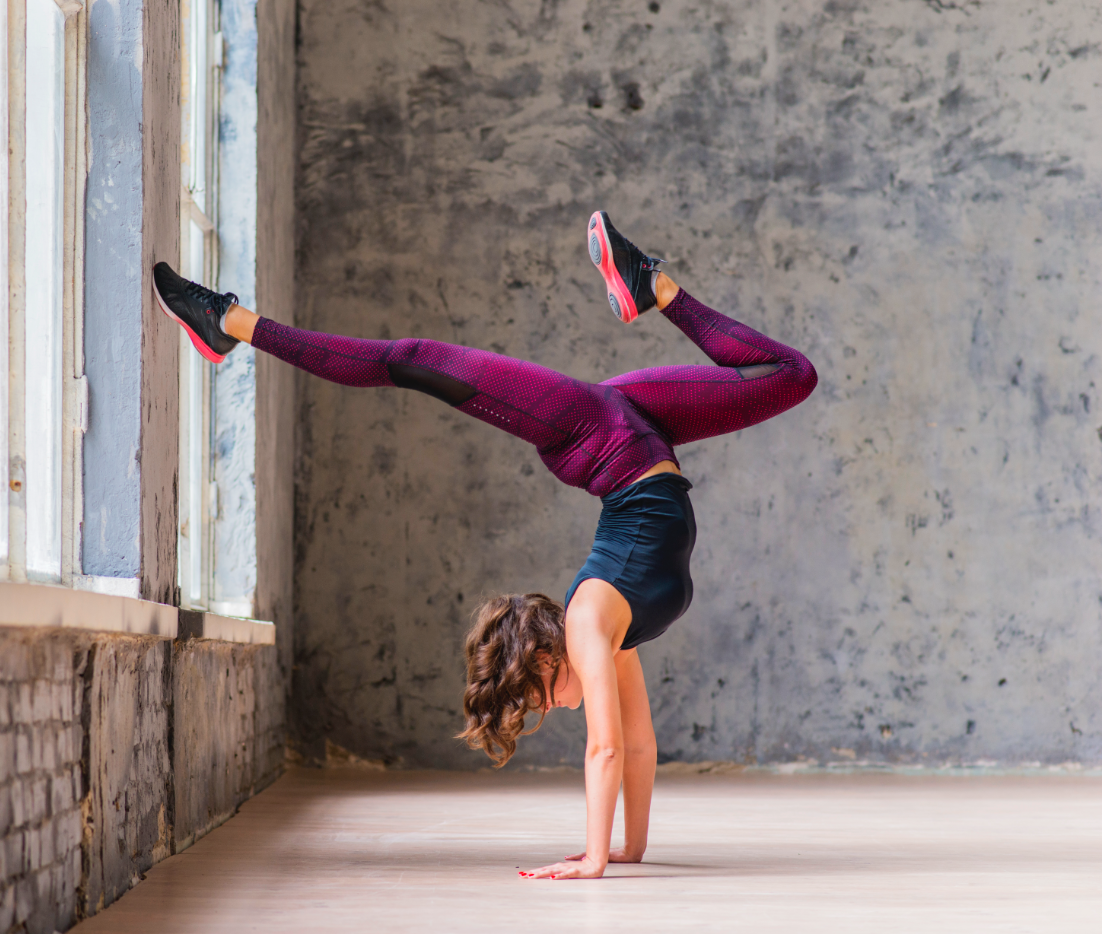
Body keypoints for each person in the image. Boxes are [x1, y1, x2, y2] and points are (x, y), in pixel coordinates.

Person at [153, 211, 817, 880]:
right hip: (637, 437)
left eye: (535, 697)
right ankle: (649, 285)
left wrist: (595, 859)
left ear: (545, 658)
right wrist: (627, 849)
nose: (549, 707)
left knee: (412, 360)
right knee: (790, 374)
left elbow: (606, 752)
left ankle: (229, 322)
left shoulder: (589, 623)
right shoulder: (609, 631)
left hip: (598, 430)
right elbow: (638, 746)